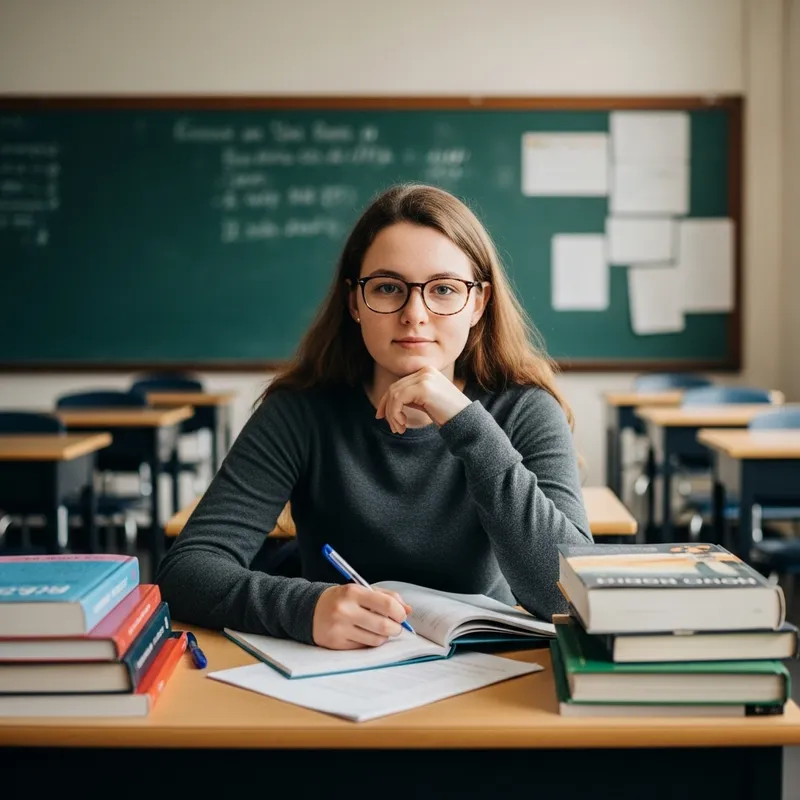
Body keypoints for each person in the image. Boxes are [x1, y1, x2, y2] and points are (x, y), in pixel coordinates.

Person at [157, 183, 592, 650]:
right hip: (335, 675)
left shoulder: (525, 409)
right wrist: (305, 608)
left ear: (478, 304)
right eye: (388, 288)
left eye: (444, 289)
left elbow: (568, 597)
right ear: (354, 303)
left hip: (489, 669)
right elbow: (186, 570)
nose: (414, 314)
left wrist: (466, 424)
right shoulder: (300, 411)